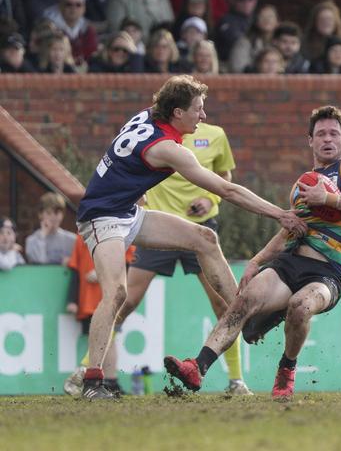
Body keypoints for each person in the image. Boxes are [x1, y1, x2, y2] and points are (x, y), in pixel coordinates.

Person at [75, 74, 306, 399]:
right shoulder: (167, 149)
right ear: (177, 113)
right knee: (116, 294)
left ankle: (246, 314)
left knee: (204, 239)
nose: (204, 116)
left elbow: (121, 160)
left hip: (127, 212)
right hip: (102, 217)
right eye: (198, 109)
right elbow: (227, 189)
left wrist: (127, 188)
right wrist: (280, 214)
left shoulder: (149, 115)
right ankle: (92, 382)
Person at [163, 105, 341, 400]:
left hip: (325, 274)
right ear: (310, 141)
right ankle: (197, 367)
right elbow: (289, 229)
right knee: (244, 301)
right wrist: (256, 261)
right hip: (288, 264)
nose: (327, 139)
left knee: (301, 306)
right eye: (320, 134)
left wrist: (329, 198)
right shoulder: (303, 183)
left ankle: (286, 369)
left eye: (333, 133)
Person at [107, 121, 252, 396]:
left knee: (223, 306)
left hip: (200, 232)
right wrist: (137, 195)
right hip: (158, 227)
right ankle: (87, 369)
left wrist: (211, 200)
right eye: (197, 105)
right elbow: (131, 169)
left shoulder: (216, 134)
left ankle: (236, 380)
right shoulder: (155, 136)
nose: (201, 112)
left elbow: (225, 175)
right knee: (124, 301)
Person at [63, 235, 135, 397]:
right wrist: (72, 299)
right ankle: (102, 380)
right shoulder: (81, 237)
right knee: (101, 337)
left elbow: (129, 264)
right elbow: (75, 268)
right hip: (88, 300)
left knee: (110, 337)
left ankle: (110, 380)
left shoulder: (121, 233)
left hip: (111, 298)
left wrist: (101, 273)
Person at [44, 0, 98, 68]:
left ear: (84, 9)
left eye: (78, 5)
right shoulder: (48, 28)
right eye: (69, 4)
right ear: (60, 6)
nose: (73, 8)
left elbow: (92, 57)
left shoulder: (89, 30)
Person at [303, 0, 341, 70]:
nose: (326, 22)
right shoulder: (305, 42)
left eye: (329, 19)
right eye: (322, 19)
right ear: (315, 21)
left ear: (336, 22)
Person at [213, 0, 257, 64]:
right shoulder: (226, 21)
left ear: (255, 0)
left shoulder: (258, 20)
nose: (246, 1)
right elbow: (237, 42)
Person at [26, 192, 75, 264]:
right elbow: (39, 265)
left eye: (57, 213)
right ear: (40, 214)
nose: (53, 217)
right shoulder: (31, 241)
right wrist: (42, 237)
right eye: (49, 213)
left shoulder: (72, 240)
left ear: (63, 214)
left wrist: (71, 262)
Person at [228, 4, 278, 73]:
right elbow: (237, 68)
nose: (267, 19)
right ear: (256, 21)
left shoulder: (281, 43)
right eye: (262, 16)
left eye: (270, 16)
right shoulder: (244, 42)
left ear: (277, 21)